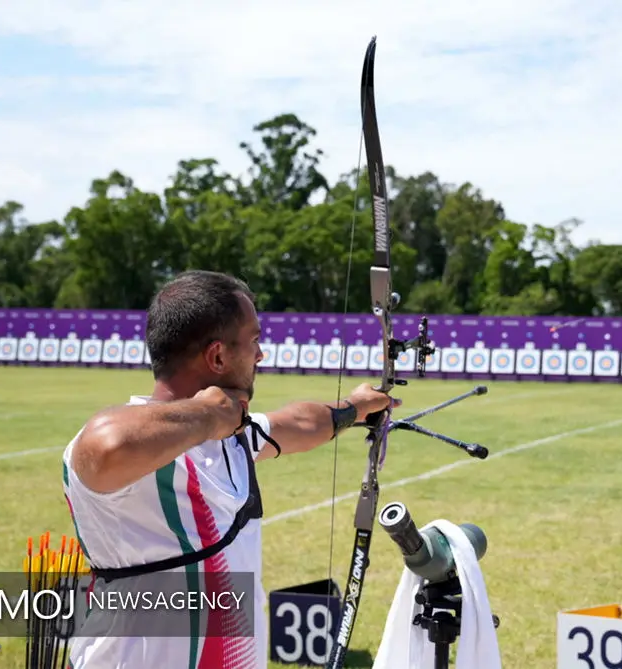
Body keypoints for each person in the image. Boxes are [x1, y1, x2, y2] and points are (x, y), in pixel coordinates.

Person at [61, 269, 398, 669]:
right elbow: (105, 445)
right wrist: (207, 413)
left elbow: (299, 423)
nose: (261, 354)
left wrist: (355, 408)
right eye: (254, 340)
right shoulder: (142, 446)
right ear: (218, 356)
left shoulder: (232, 436)